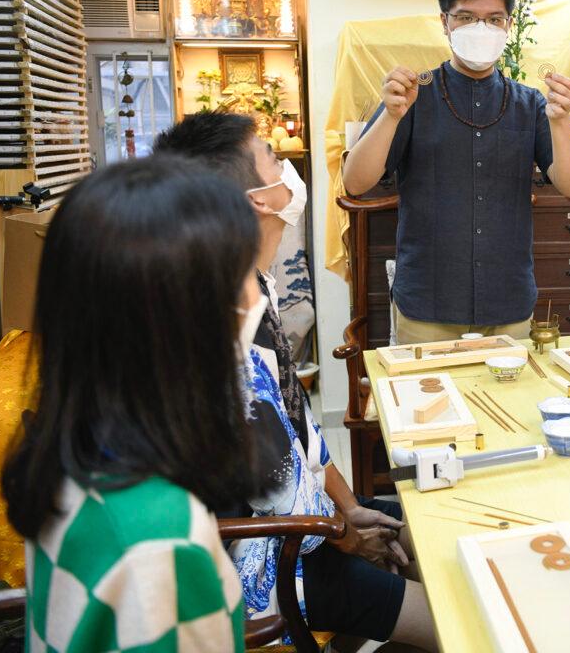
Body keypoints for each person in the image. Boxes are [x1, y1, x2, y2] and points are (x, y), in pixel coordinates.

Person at [154, 113, 437, 651]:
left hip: (300, 531)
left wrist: (351, 508)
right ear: (259, 199)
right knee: (460, 616)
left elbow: (300, 429)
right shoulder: (220, 318)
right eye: (270, 155)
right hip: (265, 562)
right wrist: (347, 533)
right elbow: (278, 489)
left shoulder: (252, 284)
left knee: (430, 526)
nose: (285, 165)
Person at [1, 156, 278, 651]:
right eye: (241, 276)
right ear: (182, 323)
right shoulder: (161, 542)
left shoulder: (71, 462)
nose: (255, 295)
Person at [341, 0, 570, 344]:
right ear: (445, 23)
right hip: (427, 305)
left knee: (507, 405)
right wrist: (389, 116)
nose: (480, 28)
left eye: (494, 19)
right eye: (466, 17)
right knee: (427, 405)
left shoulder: (530, 104)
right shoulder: (411, 97)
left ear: (508, 26)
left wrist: (562, 120)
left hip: (507, 304)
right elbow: (355, 182)